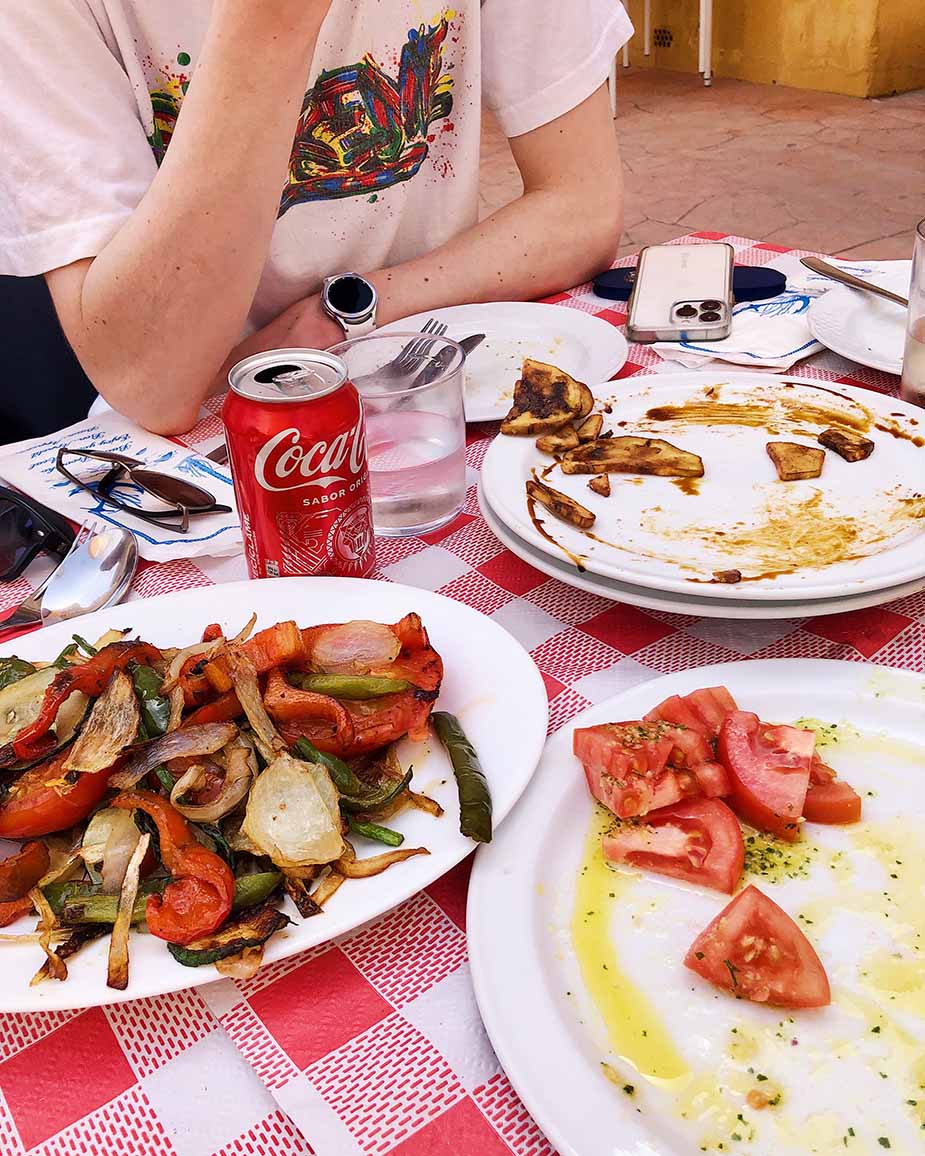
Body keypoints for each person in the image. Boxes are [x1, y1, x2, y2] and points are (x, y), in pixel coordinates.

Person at [0, 1, 631, 435]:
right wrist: (274, 21)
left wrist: (347, 310)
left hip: (426, 388)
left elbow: (582, 204)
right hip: (201, 451)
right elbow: (151, 384)